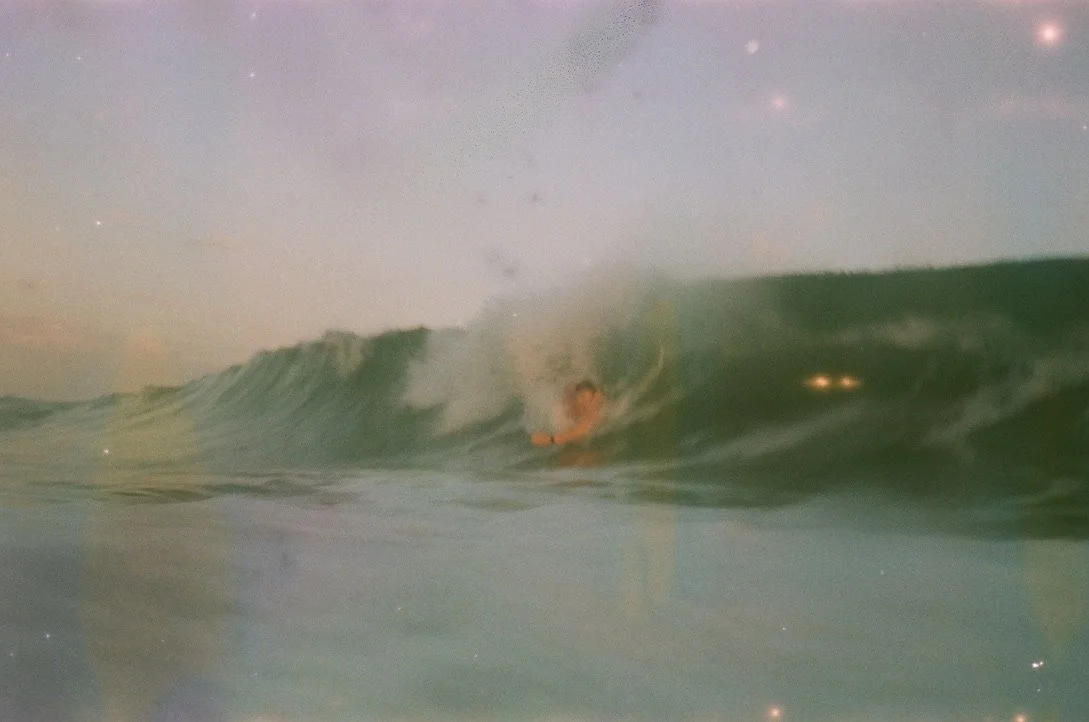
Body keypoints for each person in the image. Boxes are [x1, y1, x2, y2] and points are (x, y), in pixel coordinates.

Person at [531, 380, 606, 447]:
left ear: (593, 398)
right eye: (580, 397)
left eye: (584, 397)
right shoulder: (578, 402)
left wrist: (550, 439)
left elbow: (579, 433)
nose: (581, 401)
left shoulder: (593, 414)